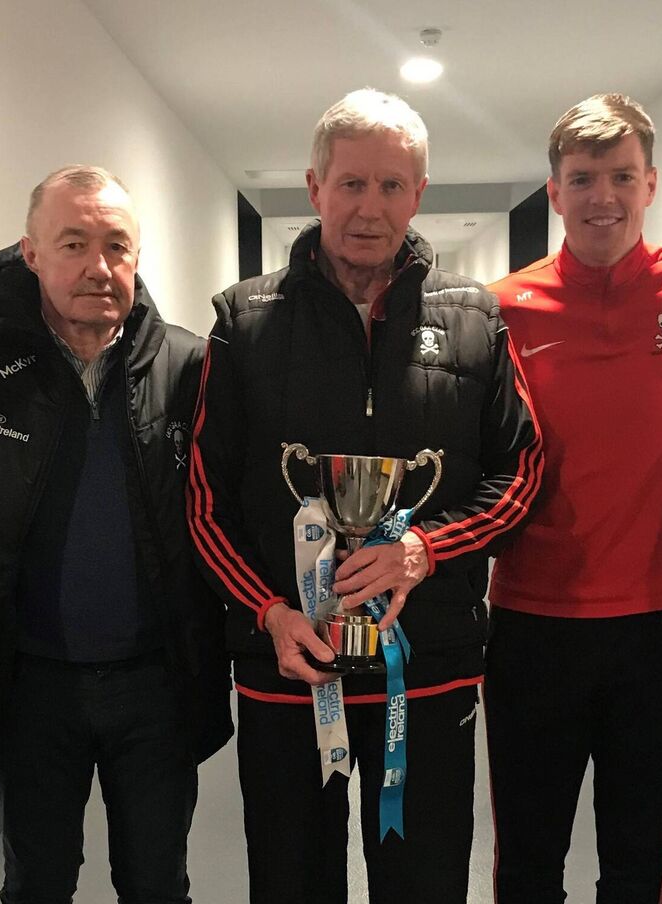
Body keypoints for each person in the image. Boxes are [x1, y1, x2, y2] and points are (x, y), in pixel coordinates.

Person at [187, 88, 542, 904]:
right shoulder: (243, 323)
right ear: (315, 188)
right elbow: (206, 503)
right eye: (351, 183)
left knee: (424, 883)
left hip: (430, 665)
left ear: (419, 193)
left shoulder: (476, 321)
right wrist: (270, 615)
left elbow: (521, 473)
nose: (369, 208)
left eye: (391, 185)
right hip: (288, 662)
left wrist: (425, 549)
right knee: (290, 880)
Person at [0, 165, 232, 904]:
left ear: (137, 257)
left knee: (157, 883)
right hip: (30, 685)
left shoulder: (187, 365)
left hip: (155, 682)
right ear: (30, 254)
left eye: (116, 246)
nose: (98, 267)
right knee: (38, 881)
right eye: (73, 243)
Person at [485, 93, 662, 903]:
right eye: (583, 177)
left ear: (651, 184)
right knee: (527, 860)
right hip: (534, 626)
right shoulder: (503, 309)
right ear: (555, 190)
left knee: (637, 865)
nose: (603, 196)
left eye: (621, 176)